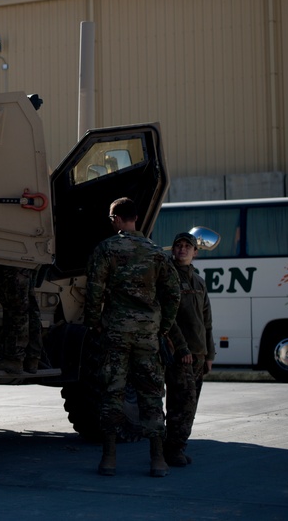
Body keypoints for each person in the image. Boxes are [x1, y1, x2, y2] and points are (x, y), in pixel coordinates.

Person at [84, 197, 180, 478]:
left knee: (112, 391)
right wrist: (162, 327)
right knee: (151, 393)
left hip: (115, 332)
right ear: (136, 218)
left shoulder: (107, 249)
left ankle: (109, 458)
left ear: (116, 218)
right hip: (148, 334)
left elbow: (94, 291)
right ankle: (158, 460)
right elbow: (173, 293)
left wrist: (94, 323)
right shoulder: (155, 252)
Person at [163, 231, 215, 467]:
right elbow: (168, 319)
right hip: (180, 355)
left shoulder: (199, 281)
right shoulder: (168, 278)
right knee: (180, 404)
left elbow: (207, 322)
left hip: (198, 354)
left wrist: (209, 354)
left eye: (188, 246)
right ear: (173, 250)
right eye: (178, 245)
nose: (183, 249)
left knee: (190, 405)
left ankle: (178, 447)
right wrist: (182, 349)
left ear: (195, 252)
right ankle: (172, 450)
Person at [0, 265, 43, 374]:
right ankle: (32, 358)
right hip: (28, 261)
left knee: (16, 306)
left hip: (13, 263)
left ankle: (14, 359)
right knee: (31, 309)